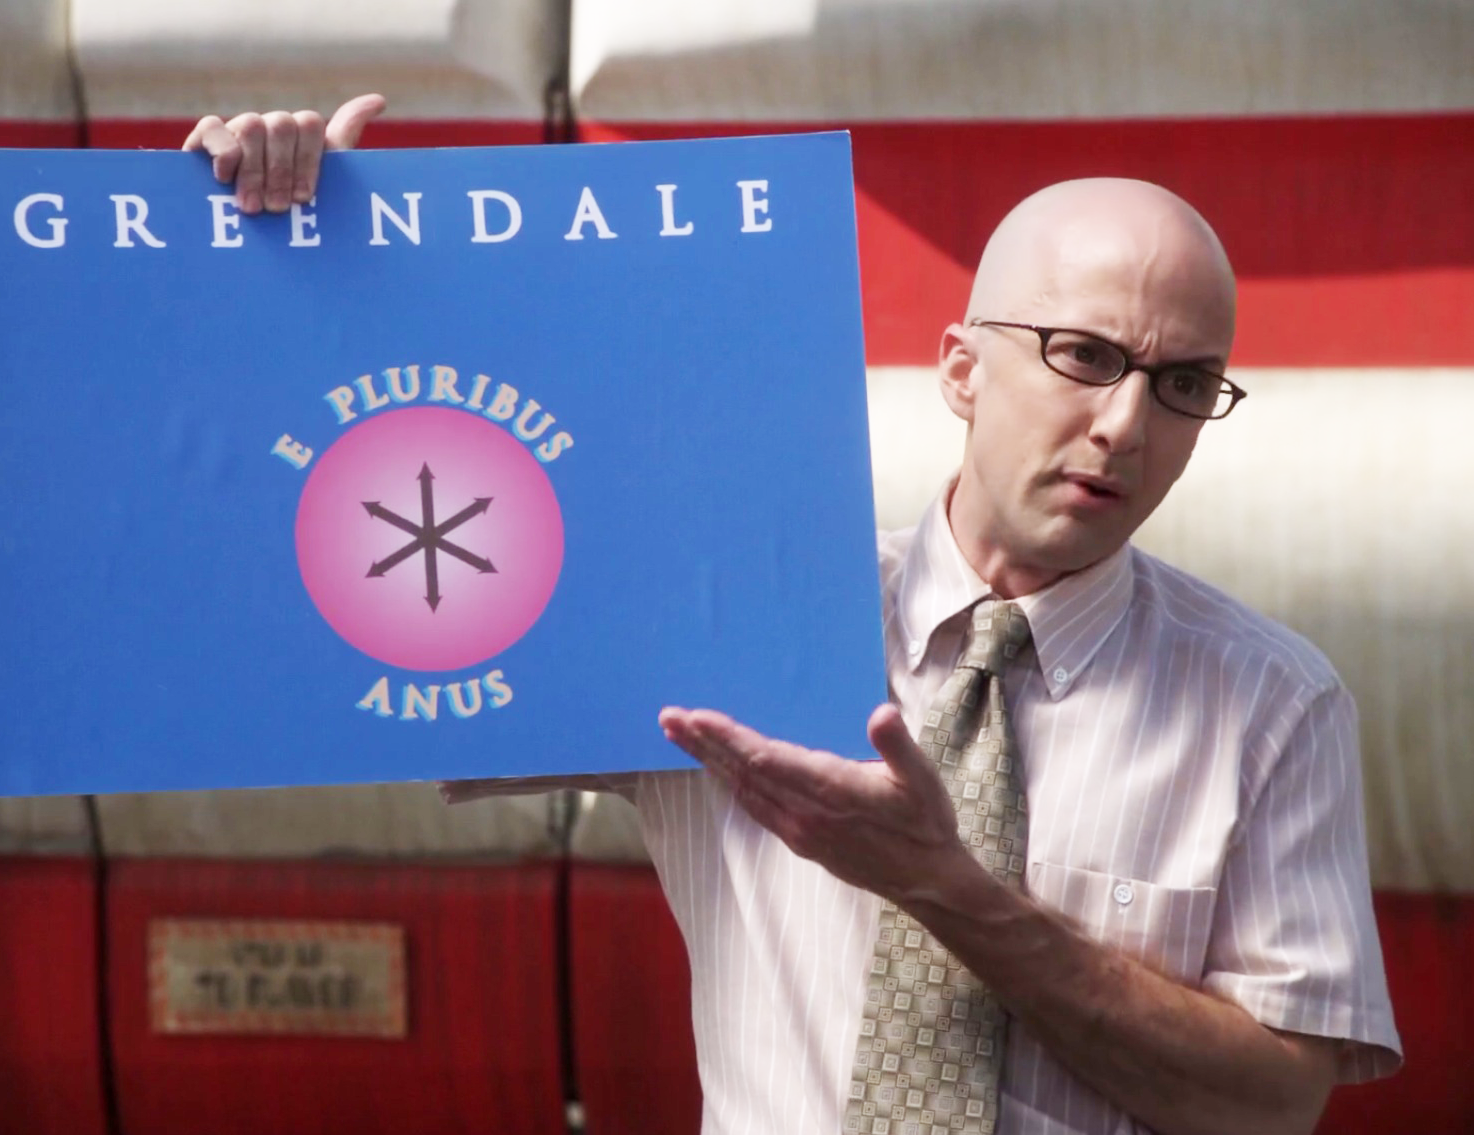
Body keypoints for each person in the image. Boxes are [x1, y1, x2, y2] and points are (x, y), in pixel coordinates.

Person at [187, 98, 1401, 1134]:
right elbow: (327, 611)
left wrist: (945, 888)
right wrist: (279, 262)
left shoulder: (1272, 703)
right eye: (1084, 354)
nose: (1127, 426)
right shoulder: (721, 611)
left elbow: (1274, 1104)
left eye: (1184, 383)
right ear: (963, 370)